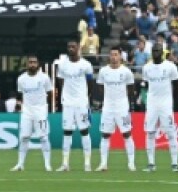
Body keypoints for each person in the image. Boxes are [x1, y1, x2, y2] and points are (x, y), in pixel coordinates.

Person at [54, 40, 94, 172]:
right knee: (67, 132)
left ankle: (87, 163)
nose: (70, 48)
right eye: (69, 46)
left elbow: (90, 83)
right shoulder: (62, 64)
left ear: (78, 48)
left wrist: (85, 98)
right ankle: (65, 163)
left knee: (84, 131)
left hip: (81, 103)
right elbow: (60, 81)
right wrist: (65, 96)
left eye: (73, 46)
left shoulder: (86, 65)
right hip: (68, 103)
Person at [96, 49, 137, 172]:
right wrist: (108, 99)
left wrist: (123, 101)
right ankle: (103, 163)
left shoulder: (126, 72)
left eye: (116, 55)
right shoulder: (103, 71)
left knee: (127, 134)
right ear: (109, 56)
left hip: (122, 108)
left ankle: (131, 163)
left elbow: (131, 89)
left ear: (120, 57)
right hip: (108, 108)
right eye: (112, 54)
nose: (114, 57)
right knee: (105, 135)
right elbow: (100, 87)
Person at [141, 44, 178, 172]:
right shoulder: (146, 68)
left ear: (162, 52)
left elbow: (177, 85)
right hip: (152, 104)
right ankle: (151, 164)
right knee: (150, 132)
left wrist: (170, 100)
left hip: (166, 104)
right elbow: (145, 85)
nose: (155, 53)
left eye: (158, 51)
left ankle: (175, 164)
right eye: (153, 51)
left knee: (170, 132)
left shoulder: (170, 66)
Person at [10, 54, 52, 172]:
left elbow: (50, 92)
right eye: (30, 62)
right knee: (24, 137)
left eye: (34, 62)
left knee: (43, 137)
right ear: (27, 64)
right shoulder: (21, 79)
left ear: (38, 64)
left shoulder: (44, 78)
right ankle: (20, 164)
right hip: (27, 111)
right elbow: (21, 94)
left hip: (41, 110)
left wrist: (45, 107)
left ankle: (47, 165)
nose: (32, 64)